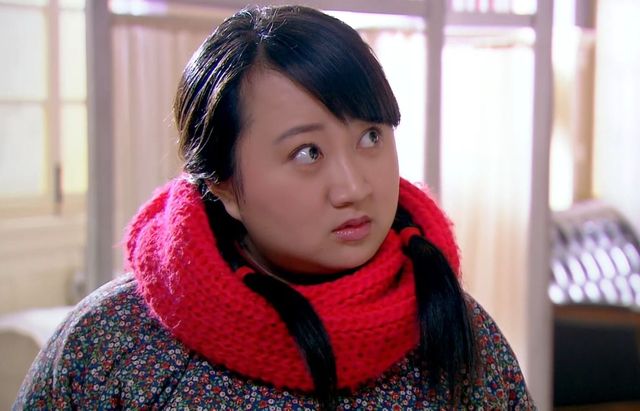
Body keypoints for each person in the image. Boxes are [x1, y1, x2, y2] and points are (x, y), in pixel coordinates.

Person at [15, 5, 534, 410]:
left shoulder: (453, 324)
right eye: (308, 153)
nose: (353, 187)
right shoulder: (111, 343)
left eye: (371, 137)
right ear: (223, 186)